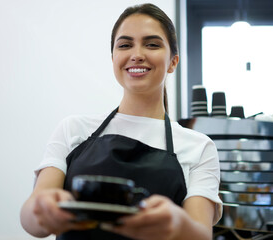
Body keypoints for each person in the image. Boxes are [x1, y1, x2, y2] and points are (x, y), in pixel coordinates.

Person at [20, 3, 222, 240]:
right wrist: (42, 212)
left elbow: (201, 235)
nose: (137, 54)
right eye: (125, 45)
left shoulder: (199, 147)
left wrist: (177, 224)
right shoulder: (73, 129)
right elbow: (30, 217)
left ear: (173, 62)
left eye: (152, 44)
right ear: (114, 57)